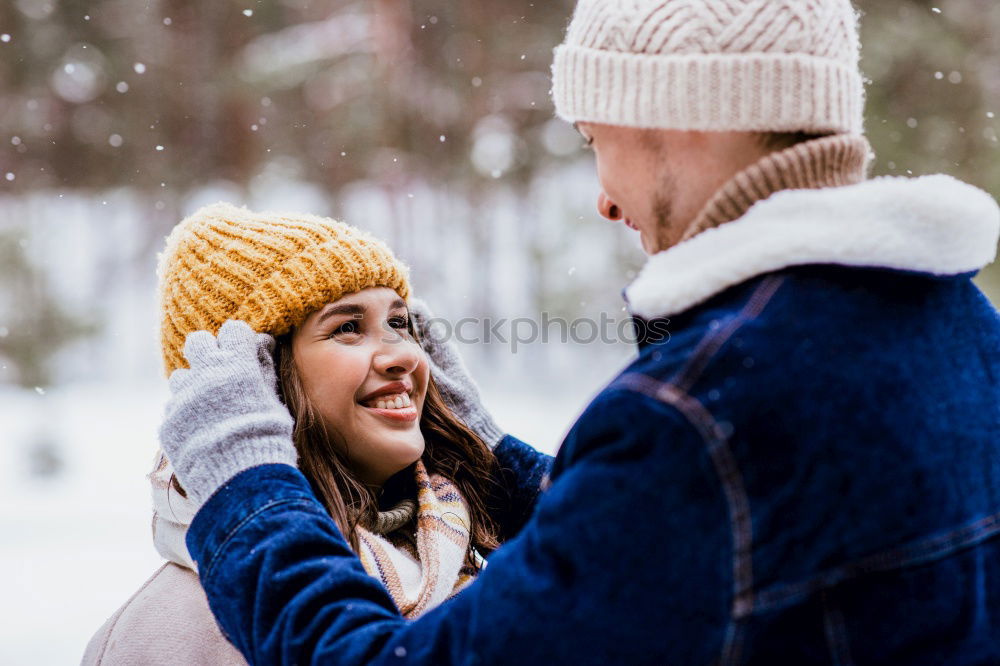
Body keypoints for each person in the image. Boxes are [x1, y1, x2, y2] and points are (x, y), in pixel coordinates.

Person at [161, 0, 1000, 663]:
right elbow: (710, 549)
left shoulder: (697, 419)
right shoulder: (962, 332)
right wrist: (489, 458)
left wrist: (245, 491)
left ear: (681, 122)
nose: (602, 197)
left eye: (596, 139)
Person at [81, 203, 551, 665]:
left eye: (399, 323)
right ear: (256, 385)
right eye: (348, 327)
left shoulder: (471, 561)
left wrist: (484, 451)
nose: (406, 356)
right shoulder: (169, 634)